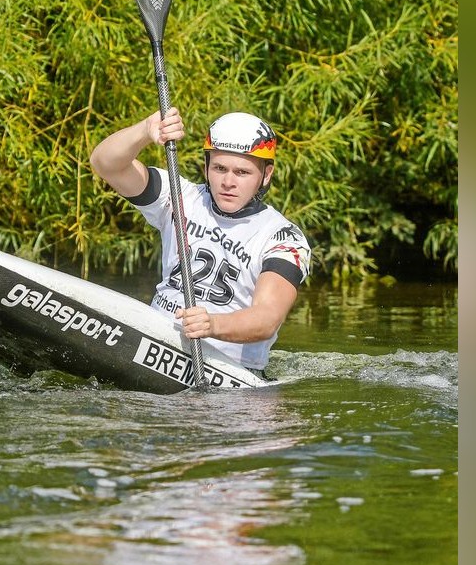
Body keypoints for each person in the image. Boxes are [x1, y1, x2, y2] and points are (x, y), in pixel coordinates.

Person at [89, 109, 313, 373]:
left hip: (229, 370)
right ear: (206, 166)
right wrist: (145, 130)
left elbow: (267, 318)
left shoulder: (284, 237)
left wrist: (213, 325)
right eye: (219, 168)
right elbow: (105, 163)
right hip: (153, 340)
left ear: (266, 175)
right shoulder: (178, 195)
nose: (228, 182)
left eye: (242, 172)